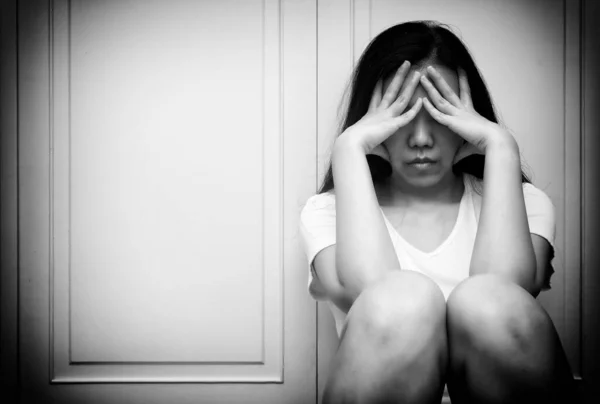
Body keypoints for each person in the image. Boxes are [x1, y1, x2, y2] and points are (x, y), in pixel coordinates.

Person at [298, 21, 578, 404]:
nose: (421, 140)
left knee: (488, 299)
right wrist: (348, 150)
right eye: (403, 116)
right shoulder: (327, 213)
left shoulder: (524, 203)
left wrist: (500, 148)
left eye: (441, 116)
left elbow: (504, 299)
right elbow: (378, 301)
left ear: (468, 121)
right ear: (371, 120)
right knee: (403, 298)